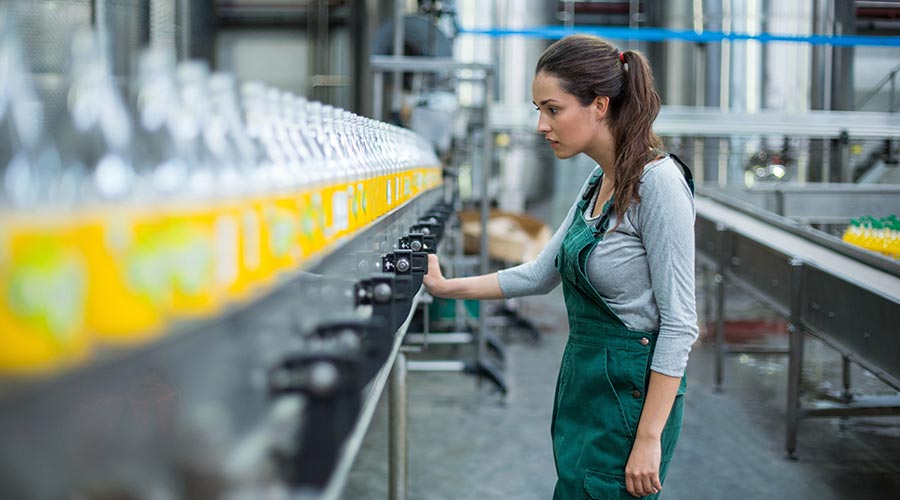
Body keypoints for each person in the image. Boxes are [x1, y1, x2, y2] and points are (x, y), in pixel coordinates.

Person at [423, 34, 698, 500]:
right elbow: (539, 273)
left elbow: (680, 323)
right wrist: (446, 288)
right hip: (586, 388)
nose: (540, 125)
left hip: (629, 401)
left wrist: (648, 438)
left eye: (552, 109)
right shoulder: (597, 182)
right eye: (538, 110)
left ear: (599, 105)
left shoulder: (659, 184)